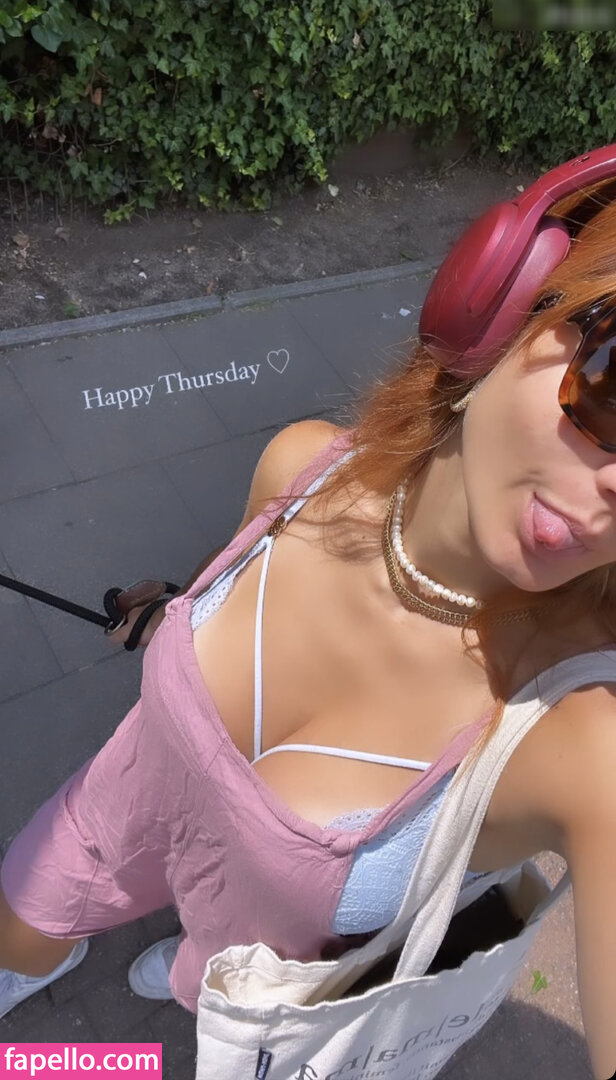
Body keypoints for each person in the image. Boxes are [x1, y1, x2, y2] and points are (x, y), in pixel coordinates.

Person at [3, 150, 616, 1080]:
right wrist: (174, 615)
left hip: (261, 974)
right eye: (615, 379)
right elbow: (225, 579)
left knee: (172, 1012)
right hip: (117, 812)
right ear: (501, 302)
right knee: (17, 923)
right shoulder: (302, 468)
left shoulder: (577, 741)